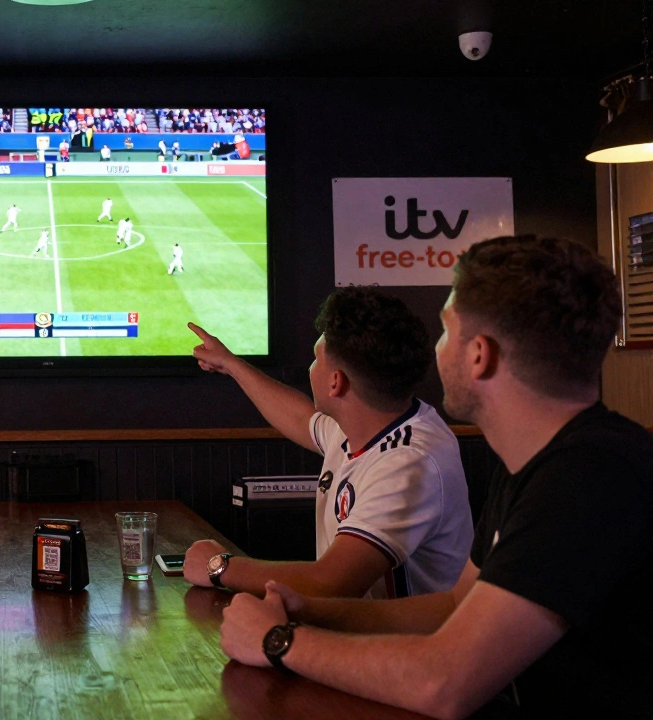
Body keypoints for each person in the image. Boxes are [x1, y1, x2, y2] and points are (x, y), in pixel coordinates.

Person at [218, 236, 652, 719]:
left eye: (446, 331)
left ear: (479, 355)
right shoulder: (543, 462)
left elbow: (444, 682)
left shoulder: (587, 477)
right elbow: (452, 607)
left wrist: (279, 641)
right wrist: (301, 609)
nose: (435, 351)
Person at [185, 287, 471, 602]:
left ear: (336, 382)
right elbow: (300, 419)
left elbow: (331, 583)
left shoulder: (408, 460)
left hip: (402, 648)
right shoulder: (363, 421)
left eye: (315, 358)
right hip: (358, 639)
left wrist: (220, 567)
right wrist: (231, 364)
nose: (310, 369)